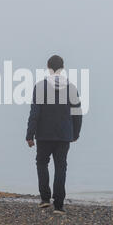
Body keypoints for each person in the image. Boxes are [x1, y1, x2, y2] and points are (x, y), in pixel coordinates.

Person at [26, 55, 82, 214]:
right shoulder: (71, 87)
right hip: (64, 135)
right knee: (61, 167)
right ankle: (59, 205)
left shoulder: (40, 87)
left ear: (48, 68)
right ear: (62, 68)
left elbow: (34, 113)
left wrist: (30, 135)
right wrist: (76, 133)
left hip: (44, 134)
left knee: (42, 163)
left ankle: (45, 199)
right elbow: (77, 113)